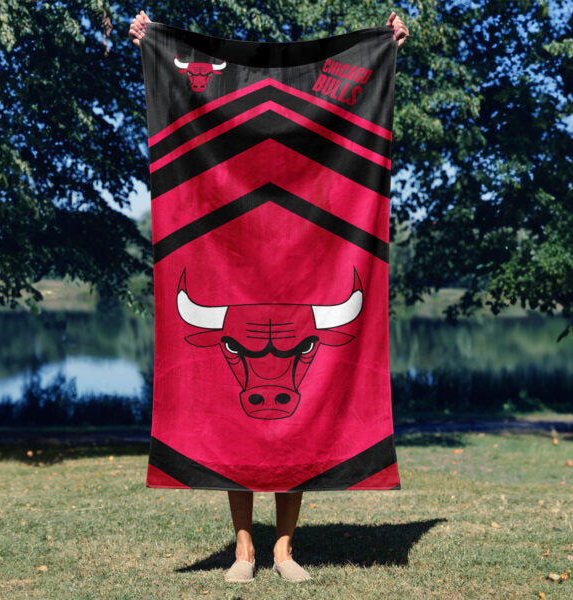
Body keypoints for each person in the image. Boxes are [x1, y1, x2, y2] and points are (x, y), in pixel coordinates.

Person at [128, 9, 409, 584]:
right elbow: (179, 82)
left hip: (308, 273)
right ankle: (244, 552)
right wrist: (151, 41)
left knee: (297, 433)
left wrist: (386, 46)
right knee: (236, 433)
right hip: (231, 270)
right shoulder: (221, 97)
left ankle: (283, 551)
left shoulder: (318, 106)